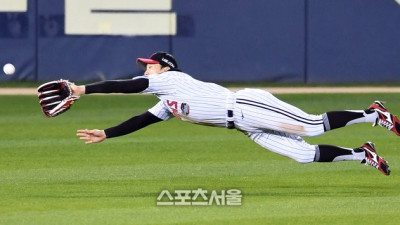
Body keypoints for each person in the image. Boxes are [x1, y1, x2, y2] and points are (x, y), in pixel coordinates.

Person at [72, 51, 399, 176]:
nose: (146, 69)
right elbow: (143, 119)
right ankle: (362, 154)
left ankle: (374, 114)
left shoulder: (171, 79)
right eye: (146, 66)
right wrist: (108, 133)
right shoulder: (168, 98)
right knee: (303, 155)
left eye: (149, 65)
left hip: (245, 105)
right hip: (247, 127)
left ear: (164, 67)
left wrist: (82, 90)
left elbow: (127, 87)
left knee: (311, 126)